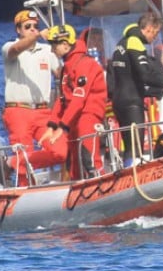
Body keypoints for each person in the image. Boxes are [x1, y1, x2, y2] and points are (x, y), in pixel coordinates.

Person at [34, 24, 109, 180]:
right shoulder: (68, 66)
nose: (52, 50)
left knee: (89, 158)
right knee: (73, 161)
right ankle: (77, 190)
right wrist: (52, 125)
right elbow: (63, 99)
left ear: (65, 44)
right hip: (74, 118)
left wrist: (62, 127)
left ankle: (100, 184)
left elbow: (78, 100)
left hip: (88, 115)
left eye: (54, 45)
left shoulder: (84, 64)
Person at [108, 11, 163, 164]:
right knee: (136, 146)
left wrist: (154, 91)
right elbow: (144, 75)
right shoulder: (134, 41)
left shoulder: (121, 44)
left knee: (129, 146)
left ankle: (127, 172)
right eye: (155, 33)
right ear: (149, 28)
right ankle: (134, 177)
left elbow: (127, 76)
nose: (154, 38)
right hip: (131, 102)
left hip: (120, 101)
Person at [1, 9, 57, 183]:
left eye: (35, 26)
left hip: (43, 112)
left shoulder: (47, 50)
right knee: (24, 159)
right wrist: (38, 35)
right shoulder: (10, 47)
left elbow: (61, 73)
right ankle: (24, 182)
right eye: (28, 27)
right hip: (19, 110)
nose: (33, 29)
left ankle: (10, 163)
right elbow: (17, 48)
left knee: (60, 151)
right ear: (19, 30)